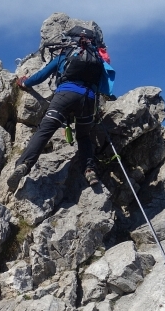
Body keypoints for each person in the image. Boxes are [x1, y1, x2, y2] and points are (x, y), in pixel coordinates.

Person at [7, 29, 111, 192]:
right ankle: (89, 170)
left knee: (45, 130)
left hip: (65, 95)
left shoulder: (65, 55)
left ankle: (23, 166)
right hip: (88, 100)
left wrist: (25, 83)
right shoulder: (96, 59)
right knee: (83, 136)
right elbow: (102, 85)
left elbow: (42, 75)